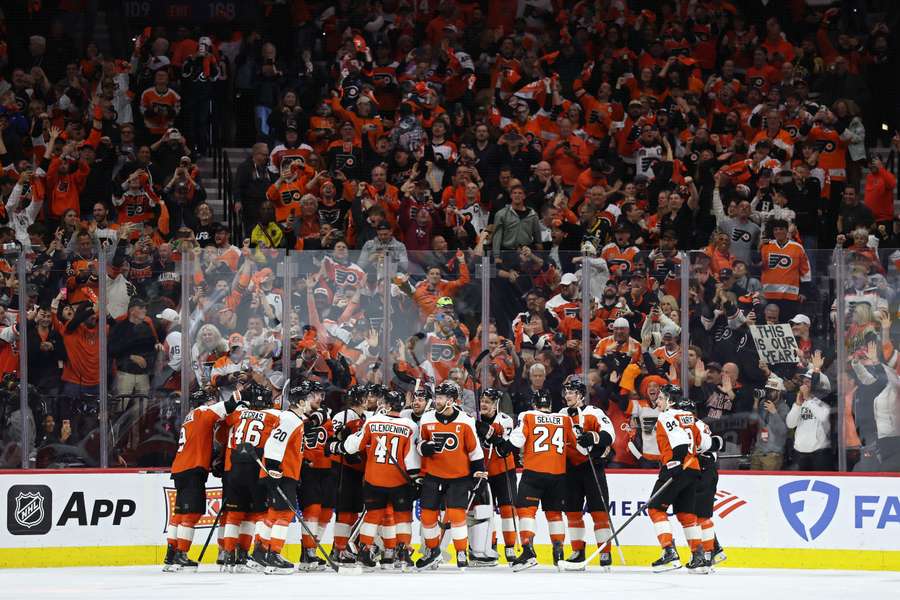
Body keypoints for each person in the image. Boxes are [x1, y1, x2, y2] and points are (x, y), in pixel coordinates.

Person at [493, 389, 579, 571]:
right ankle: (559, 554)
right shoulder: (564, 419)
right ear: (550, 405)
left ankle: (528, 552)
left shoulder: (528, 416)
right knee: (554, 514)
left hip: (534, 473)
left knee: (526, 512)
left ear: (534, 404)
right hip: (558, 475)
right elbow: (579, 444)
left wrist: (502, 446)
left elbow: (516, 441)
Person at [337, 389, 419, 570]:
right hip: (399, 480)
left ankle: (364, 553)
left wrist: (341, 443)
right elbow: (411, 458)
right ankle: (403, 553)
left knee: (373, 516)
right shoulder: (410, 426)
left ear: (386, 405)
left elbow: (353, 446)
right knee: (403, 518)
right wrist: (416, 478)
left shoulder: (372, 421)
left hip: (374, 479)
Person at [163, 387, 241, 572]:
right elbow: (230, 405)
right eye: (212, 400)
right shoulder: (204, 411)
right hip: (193, 468)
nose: (214, 403)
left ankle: (171, 555)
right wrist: (239, 393)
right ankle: (182, 554)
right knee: (191, 515)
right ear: (207, 401)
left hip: (181, 468)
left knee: (179, 514)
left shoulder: (190, 416)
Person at [414, 382, 485, 571]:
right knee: (427, 516)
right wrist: (424, 448)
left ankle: (461, 552)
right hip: (433, 475)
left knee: (456, 515)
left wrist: (480, 474)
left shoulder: (465, 421)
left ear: (452, 401)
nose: (437, 400)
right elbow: (420, 443)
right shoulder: (427, 418)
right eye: (436, 397)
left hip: (459, 476)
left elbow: (475, 451)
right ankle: (432, 551)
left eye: (441, 397)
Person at [646, 384, 709, 573]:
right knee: (686, 514)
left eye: (660, 398)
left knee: (655, 508)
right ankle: (698, 557)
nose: (657, 401)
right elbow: (703, 444)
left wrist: (675, 465)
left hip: (677, 468)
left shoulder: (667, 415)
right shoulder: (690, 417)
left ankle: (669, 552)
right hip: (693, 469)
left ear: (670, 400)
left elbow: (680, 444)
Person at [220, 382, 281, 572]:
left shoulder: (238, 414)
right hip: (256, 466)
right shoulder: (273, 415)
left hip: (235, 467)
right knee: (258, 513)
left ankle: (228, 555)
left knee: (234, 514)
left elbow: (223, 428)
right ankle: (248, 553)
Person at [558, 377, 617, 569]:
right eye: (565, 392)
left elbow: (610, 435)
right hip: (570, 469)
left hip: (592, 467)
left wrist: (593, 436)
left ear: (581, 395)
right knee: (572, 512)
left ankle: (604, 553)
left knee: (599, 513)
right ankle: (577, 551)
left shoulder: (594, 412)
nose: (567, 395)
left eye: (571, 392)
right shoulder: (561, 415)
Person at [254, 380, 307, 574]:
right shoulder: (291, 419)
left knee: (275, 513)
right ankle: (273, 554)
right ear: (300, 402)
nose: (311, 401)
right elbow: (274, 443)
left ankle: (261, 550)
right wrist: (274, 468)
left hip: (283, 472)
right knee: (284, 514)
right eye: (308, 399)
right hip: (281, 473)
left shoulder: (291, 419)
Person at [473, 388, 517, 565]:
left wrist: (486, 430)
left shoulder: (505, 420)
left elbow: (500, 446)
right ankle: (489, 545)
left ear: (496, 404)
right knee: (485, 511)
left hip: (504, 469)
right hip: (483, 472)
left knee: (507, 509)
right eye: (482, 401)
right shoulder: (472, 419)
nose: (483, 404)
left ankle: (510, 547)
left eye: (488, 402)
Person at [786, 368, 833, 471]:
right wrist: (797, 405)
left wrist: (808, 399)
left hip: (819, 453)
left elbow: (823, 416)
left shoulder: (824, 401)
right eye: (803, 382)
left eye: (808, 381)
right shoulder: (801, 402)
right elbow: (790, 424)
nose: (804, 385)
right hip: (799, 453)